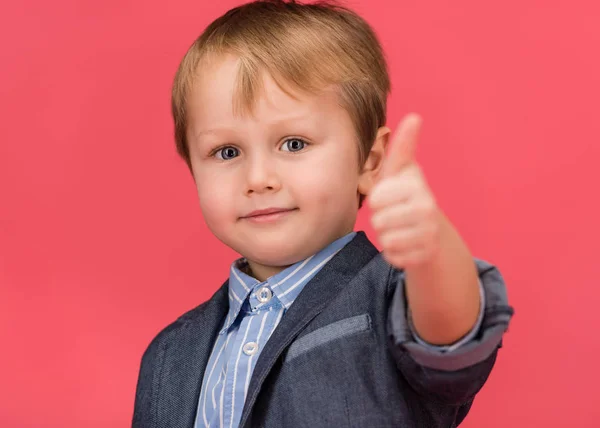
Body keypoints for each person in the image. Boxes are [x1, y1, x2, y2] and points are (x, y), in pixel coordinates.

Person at [132, 1, 514, 427]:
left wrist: (431, 249)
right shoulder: (168, 356)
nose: (258, 178)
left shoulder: (394, 300)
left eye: (294, 143)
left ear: (368, 162)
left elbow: (454, 337)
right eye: (227, 152)